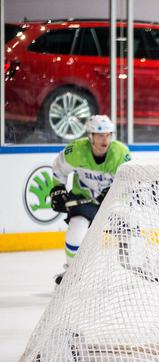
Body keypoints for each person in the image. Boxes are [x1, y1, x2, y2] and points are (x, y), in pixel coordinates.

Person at [49, 115, 131, 285]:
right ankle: (72, 272)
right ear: (90, 136)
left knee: (131, 229)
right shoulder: (77, 151)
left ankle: (136, 265)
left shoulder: (120, 153)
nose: (105, 140)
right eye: (100, 135)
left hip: (113, 204)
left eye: (108, 135)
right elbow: (58, 168)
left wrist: (114, 192)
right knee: (75, 229)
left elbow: (130, 182)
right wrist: (57, 189)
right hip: (85, 200)